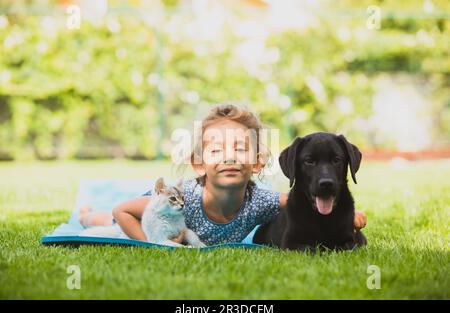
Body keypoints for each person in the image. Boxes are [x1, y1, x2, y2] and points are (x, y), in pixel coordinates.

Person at [79, 103, 367, 245]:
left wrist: (348, 214)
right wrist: (151, 243)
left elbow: (293, 200)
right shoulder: (188, 198)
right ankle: (87, 215)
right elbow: (123, 210)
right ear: (199, 164)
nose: (229, 156)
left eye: (240, 149)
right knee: (111, 220)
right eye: (216, 151)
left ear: (256, 162)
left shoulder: (258, 202)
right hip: (157, 220)